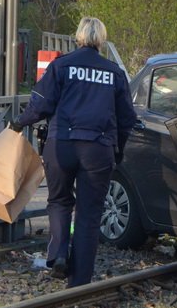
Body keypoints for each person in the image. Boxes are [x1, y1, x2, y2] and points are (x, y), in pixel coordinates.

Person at [11, 17, 136, 287]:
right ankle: (79, 282)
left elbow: (40, 105)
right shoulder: (113, 72)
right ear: (101, 40)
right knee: (89, 214)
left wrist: (19, 124)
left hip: (61, 145)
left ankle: (57, 256)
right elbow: (127, 120)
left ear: (77, 37)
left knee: (59, 201)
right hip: (98, 149)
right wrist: (118, 151)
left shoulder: (61, 66)